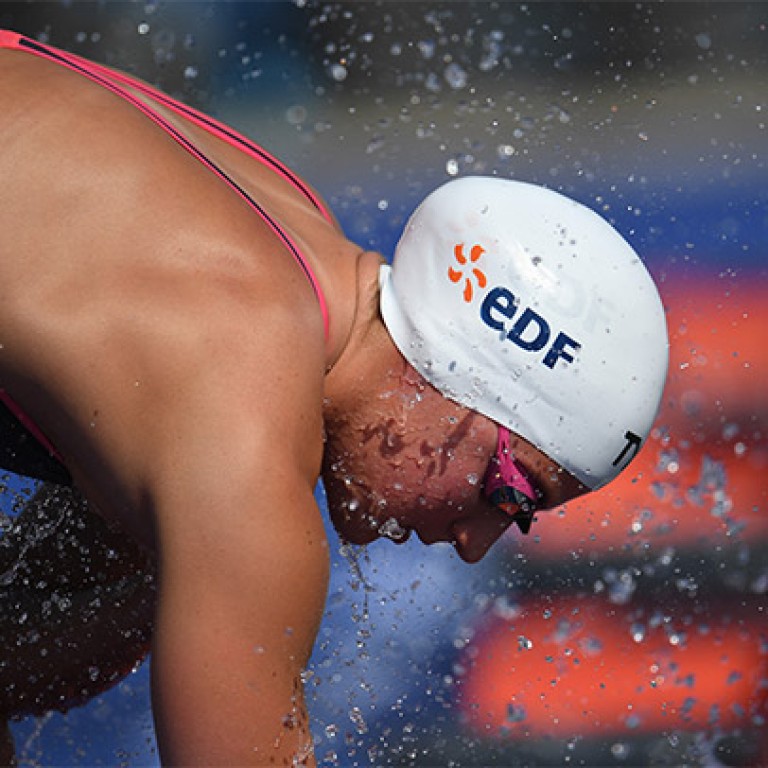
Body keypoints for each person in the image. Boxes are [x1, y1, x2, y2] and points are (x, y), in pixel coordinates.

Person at [0, 30, 668, 766]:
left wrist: (163, 592)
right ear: (462, 378)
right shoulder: (239, 402)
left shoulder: (285, 244)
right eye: (510, 496)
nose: (475, 545)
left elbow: (18, 651)